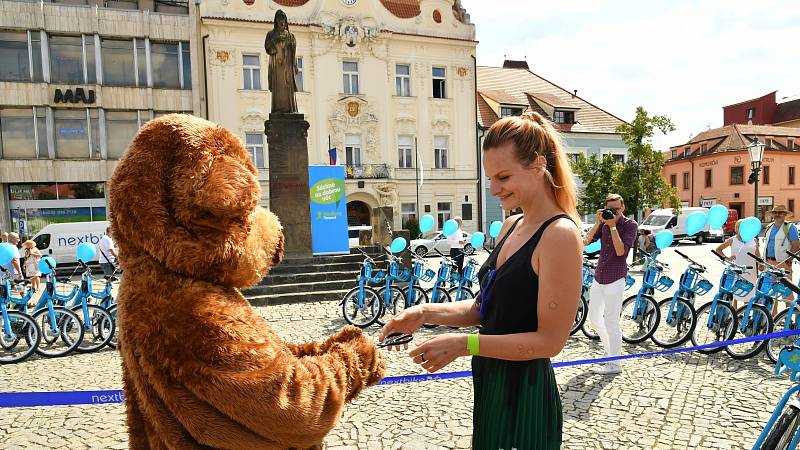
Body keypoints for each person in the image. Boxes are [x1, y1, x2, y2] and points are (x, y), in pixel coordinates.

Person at [380, 112, 582, 449]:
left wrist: (464, 344)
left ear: (537, 166)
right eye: (490, 177)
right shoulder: (511, 226)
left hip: (525, 391)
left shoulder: (559, 234)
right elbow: (483, 309)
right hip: (491, 382)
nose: (493, 189)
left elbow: (550, 342)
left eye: (503, 176)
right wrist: (423, 313)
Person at [583, 194, 638, 375]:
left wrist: (613, 227)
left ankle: (615, 364)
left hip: (616, 278)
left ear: (622, 208)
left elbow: (621, 251)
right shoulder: (604, 223)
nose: (612, 212)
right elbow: (586, 241)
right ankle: (610, 353)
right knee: (594, 318)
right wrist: (599, 222)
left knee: (611, 321)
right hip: (599, 277)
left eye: (616, 208)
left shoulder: (630, 225)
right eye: (609, 208)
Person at [716, 219, 760, 311]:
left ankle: (745, 314)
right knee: (734, 292)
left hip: (750, 270)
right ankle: (734, 313)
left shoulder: (754, 240)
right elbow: (718, 249)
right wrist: (727, 258)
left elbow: (757, 255)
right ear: (736, 229)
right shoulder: (732, 240)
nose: (742, 229)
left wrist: (760, 265)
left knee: (748, 292)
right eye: (739, 227)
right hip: (736, 269)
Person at [764, 205, 799, 312]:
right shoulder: (769, 227)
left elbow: (796, 245)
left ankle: (790, 317)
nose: (777, 214)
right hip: (769, 263)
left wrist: (789, 260)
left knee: (786, 292)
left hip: (783, 263)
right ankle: (773, 316)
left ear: (785, 215)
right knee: (770, 291)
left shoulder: (789, 227)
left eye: (780, 213)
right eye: (775, 213)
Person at [264, 9, 298, 113]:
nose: (281, 22)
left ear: (286, 21)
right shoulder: (271, 34)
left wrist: (295, 66)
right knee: (278, 88)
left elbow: (294, 53)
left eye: (283, 19)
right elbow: (268, 48)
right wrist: (275, 41)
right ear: (276, 21)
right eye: (279, 19)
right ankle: (278, 109)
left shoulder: (290, 36)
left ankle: (290, 109)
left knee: (288, 87)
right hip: (277, 67)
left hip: (287, 66)